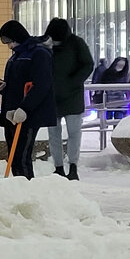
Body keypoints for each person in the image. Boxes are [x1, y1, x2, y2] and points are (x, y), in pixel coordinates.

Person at [0, 20, 56, 180]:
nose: (8, 45)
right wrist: (3, 88)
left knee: (21, 156)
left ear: (17, 37)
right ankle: (18, 188)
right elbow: (16, 85)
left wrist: (25, 108)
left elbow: (42, 85)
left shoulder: (39, 54)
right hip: (12, 113)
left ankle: (28, 190)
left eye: (8, 41)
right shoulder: (15, 58)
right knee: (14, 157)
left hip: (28, 113)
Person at [42, 18, 94, 180]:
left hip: (71, 96)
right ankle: (59, 167)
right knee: (55, 135)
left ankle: (72, 166)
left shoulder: (76, 43)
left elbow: (88, 64)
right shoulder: (45, 44)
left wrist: (72, 82)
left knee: (73, 133)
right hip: (54, 97)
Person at [98, 57, 130, 121]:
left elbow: (102, 82)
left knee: (110, 117)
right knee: (117, 118)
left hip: (110, 99)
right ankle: (113, 129)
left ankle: (107, 128)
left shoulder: (107, 73)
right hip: (118, 100)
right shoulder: (125, 74)